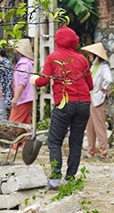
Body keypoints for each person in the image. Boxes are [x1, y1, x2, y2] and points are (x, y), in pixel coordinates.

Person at [35, 27, 93, 189]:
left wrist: (34, 80)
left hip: (64, 103)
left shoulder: (53, 58)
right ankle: (71, 177)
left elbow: (43, 81)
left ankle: (55, 178)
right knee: (76, 141)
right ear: (74, 41)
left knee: (54, 141)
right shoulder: (82, 59)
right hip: (84, 104)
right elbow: (90, 85)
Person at [81, 42, 112, 159]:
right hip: (91, 98)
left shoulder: (103, 67)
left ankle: (103, 152)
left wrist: (103, 88)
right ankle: (90, 151)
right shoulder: (94, 66)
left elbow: (108, 79)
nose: (89, 56)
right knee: (89, 126)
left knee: (99, 126)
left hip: (98, 99)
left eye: (90, 54)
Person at [10, 37, 36, 131]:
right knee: (25, 122)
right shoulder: (28, 63)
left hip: (22, 98)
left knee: (14, 122)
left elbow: (22, 82)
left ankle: (14, 145)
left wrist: (16, 97)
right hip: (27, 97)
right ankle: (25, 144)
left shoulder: (24, 64)